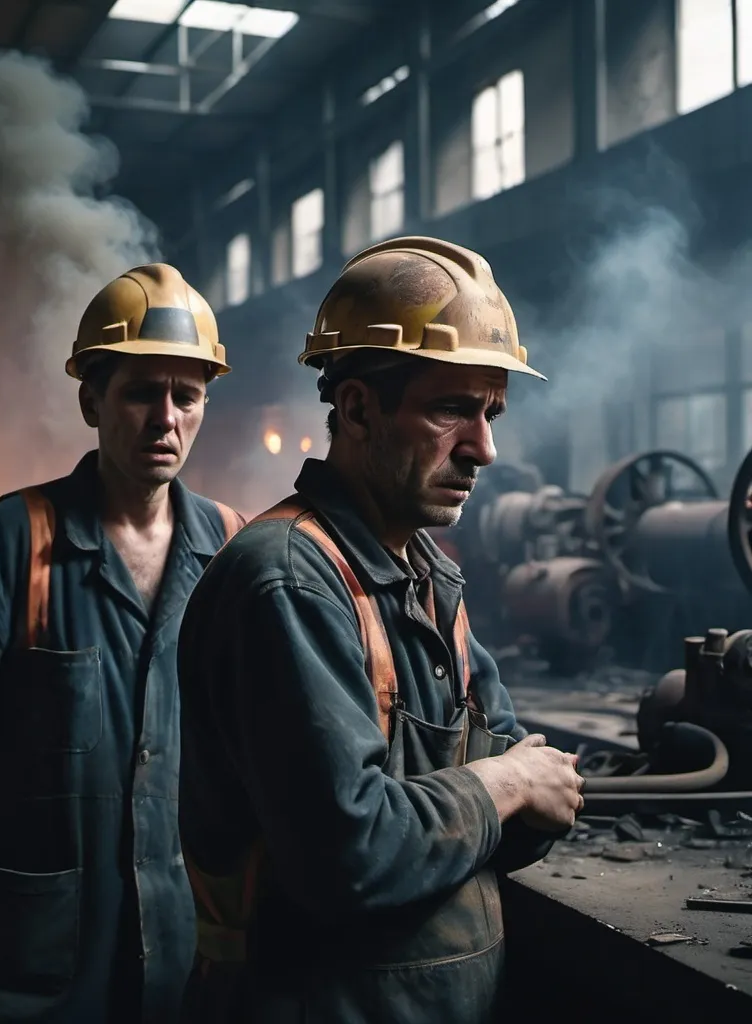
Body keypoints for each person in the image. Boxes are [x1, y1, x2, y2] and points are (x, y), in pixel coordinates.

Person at [177, 237, 586, 1024]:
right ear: (358, 407)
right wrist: (502, 787)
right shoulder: (289, 581)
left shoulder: (430, 578)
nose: (485, 449)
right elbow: (352, 859)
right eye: (450, 410)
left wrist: (492, 801)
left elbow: (530, 813)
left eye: (491, 412)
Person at [0, 263, 246, 1024]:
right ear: (90, 400)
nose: (165, 418)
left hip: (186, 944)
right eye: (141, 392)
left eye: (187, 395)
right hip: (38, 954)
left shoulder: (233, 551)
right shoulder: (13, 542)